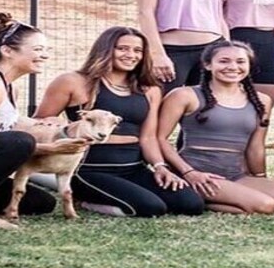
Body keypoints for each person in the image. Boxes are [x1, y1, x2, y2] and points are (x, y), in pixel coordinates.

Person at [35, 27, 205, 218]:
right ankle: (84, 201)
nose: (131, 55)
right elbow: (40, 122)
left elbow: (148, 137)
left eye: (137, 50)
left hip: (133, 167)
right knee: (151, 208)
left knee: (191, 204)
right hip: (87, 168)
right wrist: (59, 130)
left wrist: (160, 167)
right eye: (122, 48)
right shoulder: (73, 81)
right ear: (105, 49)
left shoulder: (149, 89)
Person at [158, 40, 274, 214]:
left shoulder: (261, 100)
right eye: (224, 61)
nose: (233, 67)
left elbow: (256, 145)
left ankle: (225, 197)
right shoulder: (184, 95)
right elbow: (159, 138)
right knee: (266, 206)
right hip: (197, 173)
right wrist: (188, 172)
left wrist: (260, 178)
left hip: (236, 174)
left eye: (240, 61)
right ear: (207, 65)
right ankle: (196, 198)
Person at [0, 13, 83, 228]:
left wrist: (51, 125)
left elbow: (8, 123)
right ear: (7, 51)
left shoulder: (10, 88)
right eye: (38, 49)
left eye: (46, 50)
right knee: (20, 141)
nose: (45, 55)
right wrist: (47, 148)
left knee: (41, 202)